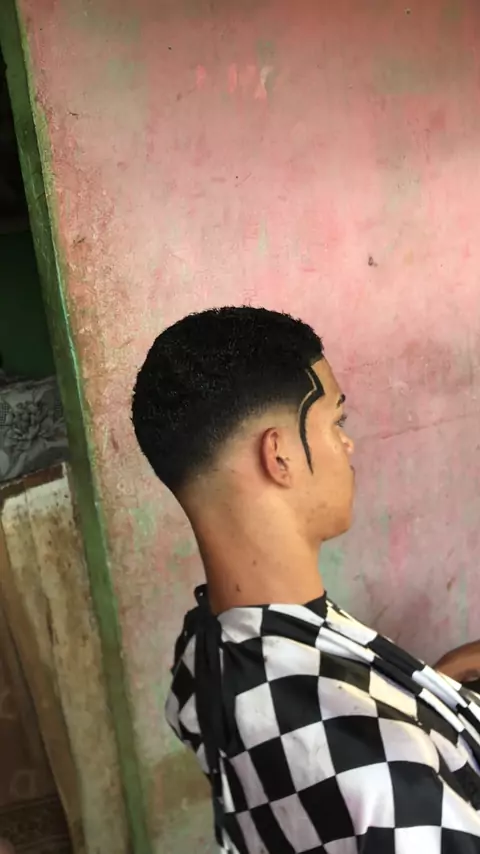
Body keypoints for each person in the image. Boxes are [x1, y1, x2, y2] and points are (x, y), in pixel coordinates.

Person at [132, 306, 480, 853]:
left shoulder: (204, 651)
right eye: (337, 421)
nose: (348, 444)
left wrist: (433, 689)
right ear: (279, 455)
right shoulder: (395, 779)